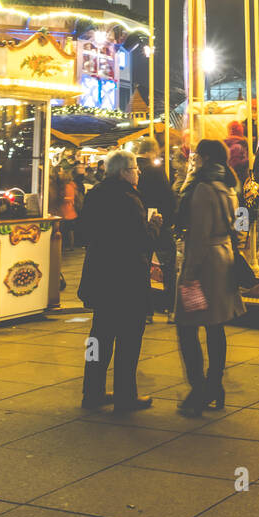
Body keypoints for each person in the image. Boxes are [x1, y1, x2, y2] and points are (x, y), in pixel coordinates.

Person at [76, 149, 158, 412]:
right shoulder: (129, 199)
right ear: (124, 171)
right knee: (128, 338)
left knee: (98, 338)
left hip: (100, 276)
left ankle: (92, 390)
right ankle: (125, 395)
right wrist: (154, 224)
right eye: (135, 168)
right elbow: (141, 241)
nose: (139, 172)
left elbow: (83, 234)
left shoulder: (96, 195)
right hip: (126, 278)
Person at [174, 138, 245, 416]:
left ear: (203, 157)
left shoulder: (203, 189)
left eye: (196, 156)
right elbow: (239, 225)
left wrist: (188, 274)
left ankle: (199, 389)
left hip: (202, 269)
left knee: (187, 325)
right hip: (223, 259)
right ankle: (215, 385)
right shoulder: (228, 186)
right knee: (215, 327)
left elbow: (200, 236)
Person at [136, 137, 178, 320]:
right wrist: (169, 220)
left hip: (138, 224)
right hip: (158, 223)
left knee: (142, 268)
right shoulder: (156, 171)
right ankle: (171, 309)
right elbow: (167, 198)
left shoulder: (133, 168)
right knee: (168, 266)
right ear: (153, 151)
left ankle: (146, 310)